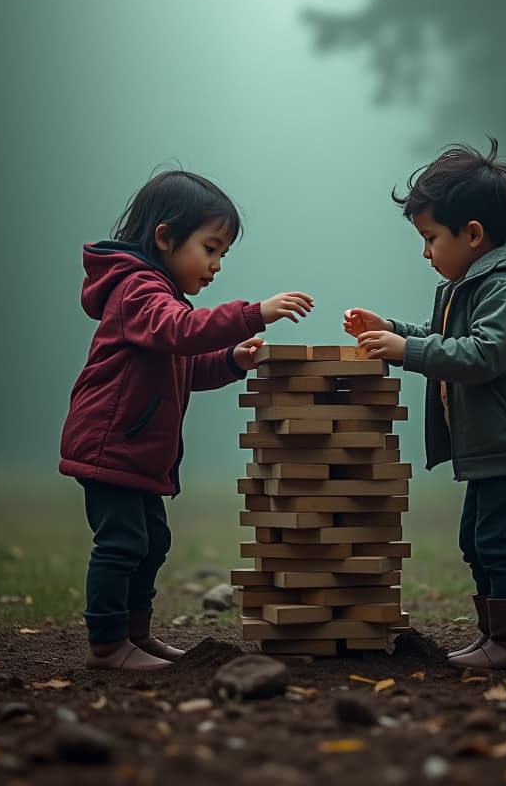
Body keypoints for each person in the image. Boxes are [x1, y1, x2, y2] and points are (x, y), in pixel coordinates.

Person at [60, 170, 314, 671]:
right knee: (121, 543)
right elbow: (179, 331)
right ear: (166, 237)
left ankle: (136, 634)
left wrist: (230, 361)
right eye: (211, 248)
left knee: (152, 542)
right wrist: (253, 313)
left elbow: (183, 364)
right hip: (111, 446)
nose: (216, 264)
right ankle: (108, 644)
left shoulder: (161, 297)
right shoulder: (138, 290)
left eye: (223, 254)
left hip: (137, 452)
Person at [344, 139, 506, 671]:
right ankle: (494, 636)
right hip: (494, 444)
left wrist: (409, 351)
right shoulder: (471, 286)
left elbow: (483, 355)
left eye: (429, 238)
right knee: (476, 539)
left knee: (498, 539)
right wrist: (393, 331)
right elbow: (444, 337)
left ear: (472, 234)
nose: (426, 253)